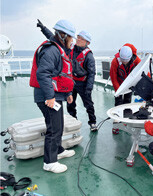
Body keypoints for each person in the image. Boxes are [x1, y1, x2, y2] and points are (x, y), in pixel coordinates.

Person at [30, 19, 76, 173]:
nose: (72, 41)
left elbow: (62, 74)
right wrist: (50, 97)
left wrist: (68, 93)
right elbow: (42, 73)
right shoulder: (51, 50)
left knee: (59, 124)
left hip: (56, 95)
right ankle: (49, 162)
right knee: (54, 128)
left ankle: (59, 150)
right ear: (63, 36)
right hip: (47, 96)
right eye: (71, 37)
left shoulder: (59, 46)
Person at [37, 20, 97, 132]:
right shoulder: (70, 47)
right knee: (70, 104)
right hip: (71, 82)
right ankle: (73, 120)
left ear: (87, 43)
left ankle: (92, 122)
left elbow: (92, 73)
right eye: (78, 37)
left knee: (88, 104)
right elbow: (54, 38)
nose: (78, 39)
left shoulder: (89, 56)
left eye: (81, 39)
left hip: (83, 84)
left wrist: (89, 88)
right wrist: (43, 28)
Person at [110, 43, 141, 134]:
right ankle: (116, 123)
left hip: (129, 84)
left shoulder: (136, 60)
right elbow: (113, 77)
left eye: (126, 60)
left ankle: (125, 121)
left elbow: (144, 71)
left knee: (127, 103)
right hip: (119, 84)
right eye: (123, 60)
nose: (124, 62)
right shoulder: (115, 61)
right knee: (118, 103)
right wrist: (118, 90)